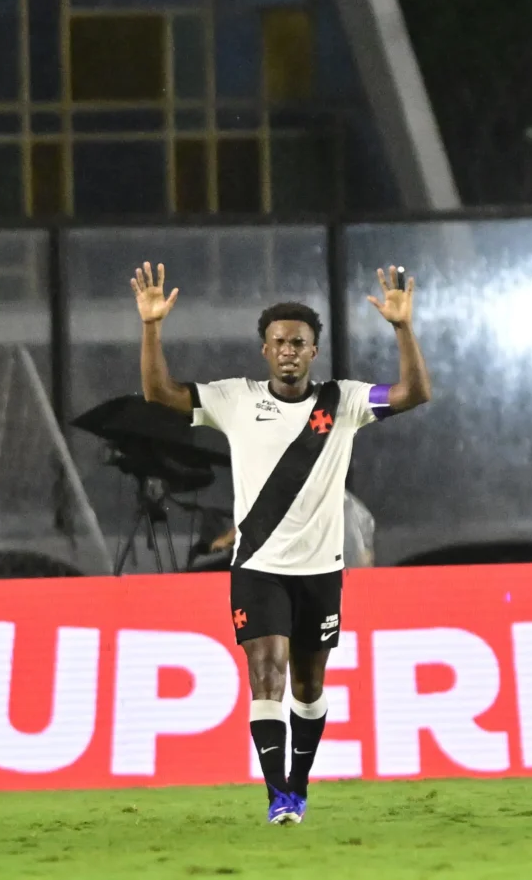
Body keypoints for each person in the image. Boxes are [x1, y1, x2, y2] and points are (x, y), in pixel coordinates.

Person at [133, 262, 431, 825]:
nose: (288, 350)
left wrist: (402, 329)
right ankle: (279, 796)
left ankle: (297, 782)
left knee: (308, 685)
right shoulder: (233, 398)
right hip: (258, 567)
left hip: (321, 570)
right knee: (265, 673)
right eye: (278, 342)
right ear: (264, 351)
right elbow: (158, 391)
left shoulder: (342, 402)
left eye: (299, 342)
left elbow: (415, 392)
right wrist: (151, 327)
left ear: (313, 351)